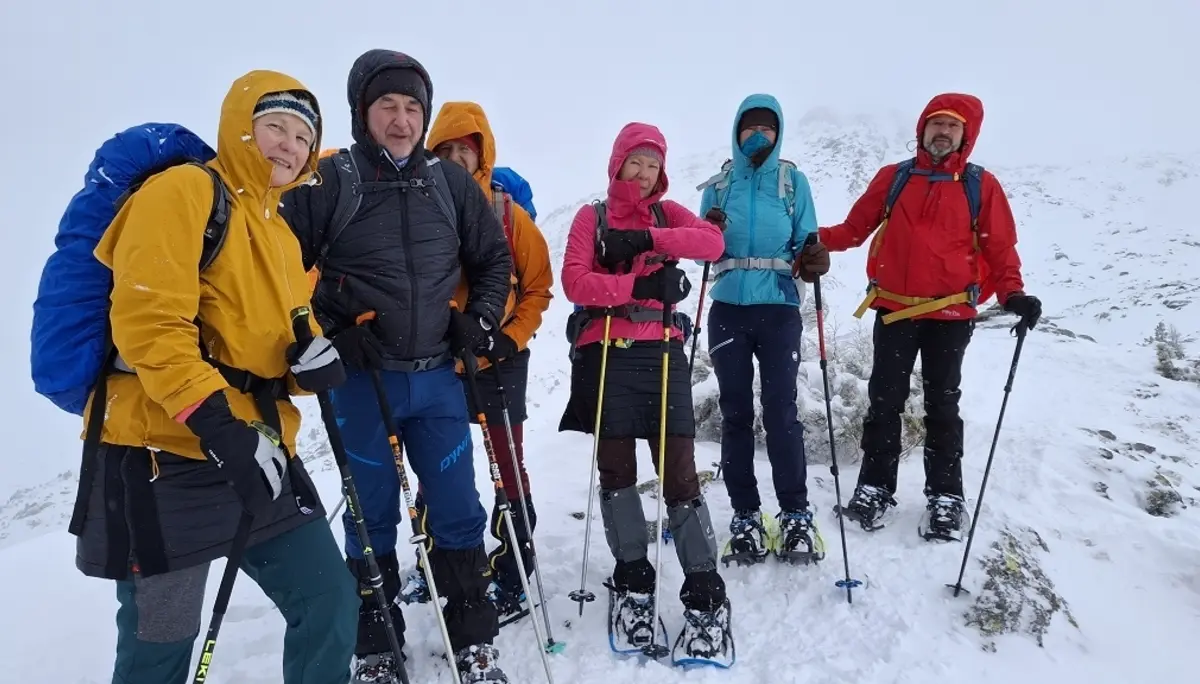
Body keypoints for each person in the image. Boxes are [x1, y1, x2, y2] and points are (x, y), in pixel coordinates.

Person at [71, 70, 358, 684]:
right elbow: (148, 325)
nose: (289, 144)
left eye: (303, 137)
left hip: (256, 450)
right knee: (161, 646)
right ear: (240, 129)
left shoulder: (280, 233)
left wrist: (311, 364)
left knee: (329, 599)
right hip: (161, 458)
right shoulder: (184, 192)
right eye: (274, 126)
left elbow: (274, 343)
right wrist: (220, 426)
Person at [280, 50, 513, 683]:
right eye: (389, 106)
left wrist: (480, 321)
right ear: (363, 112)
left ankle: (474, 639)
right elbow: (271, 269)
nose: (403, 120)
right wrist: (327, 333)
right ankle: (378, 646)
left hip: (437, 378)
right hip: (362, 383)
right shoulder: (331, 181)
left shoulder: (450, 182)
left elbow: (494, 261)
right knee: (370, 513)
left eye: (413, 107)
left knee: (458, 508)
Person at [818, 92, 1043, 541]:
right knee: (884, 401)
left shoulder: (981, 185)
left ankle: (946, 495)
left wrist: (1013, 293)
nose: (942, 132)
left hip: (952, 311)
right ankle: (874, 487)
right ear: (921, 130)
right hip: (894, 308)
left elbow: (1000, 247)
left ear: (966, 136)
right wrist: (810, 238)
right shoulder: (895, 178)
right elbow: (853, 230)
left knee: (943, 405)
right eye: (935, 124)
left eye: (952, 126)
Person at [559, 122, 734, 665]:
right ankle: (634, 579)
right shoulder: (591, 216)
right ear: (616, 164)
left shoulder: (666, 214)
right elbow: (574, 281)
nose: (643, 172)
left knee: (679, 471)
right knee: (617, 472)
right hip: (607, 351)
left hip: (661, 353)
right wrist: (637, 285)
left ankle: (705, 591)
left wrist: (650, 241)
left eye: (652, 164)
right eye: (634, 162)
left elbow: (712, 241)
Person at [424, 101, 554, 621]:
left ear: (483, 155)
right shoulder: (415, 208)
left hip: (500, 358)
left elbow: (539, 288)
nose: (456, 158)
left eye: (466, 149)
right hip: (434, 363)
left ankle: (514, 568)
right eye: (447, 149)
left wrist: (510, 339)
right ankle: (447, 564)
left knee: (506, 463)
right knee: (439, 467)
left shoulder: (506, 214)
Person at [696, 94, 829, 566]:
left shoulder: (793, 182)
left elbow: (805, 239)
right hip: (728, 306)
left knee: (780, 412)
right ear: (736, 131)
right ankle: (745, 514)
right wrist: (707, 232)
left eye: (766, 129)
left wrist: (813, 259)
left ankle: (795, 512)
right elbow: (700, 251)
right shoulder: (718, 185)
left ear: (778, 133)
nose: (758, 135)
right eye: (750, 128)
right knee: (734, 413)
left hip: (778, 307)